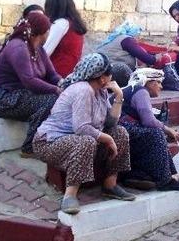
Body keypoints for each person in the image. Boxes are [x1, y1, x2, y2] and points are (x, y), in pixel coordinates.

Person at [34, 53, 135, 214]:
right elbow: (81, 128)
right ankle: (70, 195)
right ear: (102, 78)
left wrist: (119, 96)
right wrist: (107, 139)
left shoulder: (100, 91)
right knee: (87, 140)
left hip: (76, 140)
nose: (111, 78)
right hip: (49, 142)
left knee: (120, 132)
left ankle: (110, 184)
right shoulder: (83, 90)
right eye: (109, 74)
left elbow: (111, 123)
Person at [0, 12, 61, 157]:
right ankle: (29, 147)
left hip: (19, 95)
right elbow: (29, 81)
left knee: (59, 98)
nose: (48, 34)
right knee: (51, 100)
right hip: (2, 99)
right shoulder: (18, 47)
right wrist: (56, 89)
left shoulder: (38, 49)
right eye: (48, 31)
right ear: (42, 32)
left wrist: (63, 83)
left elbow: (52, 75)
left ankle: (46, 138)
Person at [119, 68, 179, 191]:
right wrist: (169, 130)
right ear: (150, 82)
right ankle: (165, 181)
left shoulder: (135, 90)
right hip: (121, 131)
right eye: (159, 82)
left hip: (125, 130)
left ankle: (172, 174)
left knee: (157, 133)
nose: (161, 87)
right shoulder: (141, 91)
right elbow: (149, 121)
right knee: (156, 133)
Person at [97, 21, 166, 86]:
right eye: (138, 34)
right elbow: (147, 59)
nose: (138, 37)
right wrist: (156, 57)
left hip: (102, 75)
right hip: (113, 74)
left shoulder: (115, 39)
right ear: (134, 32)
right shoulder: (127, 40)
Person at [43, 0, 88, 78]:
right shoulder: (75, 24)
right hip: (70, 73)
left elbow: (45, 52)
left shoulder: (61, 23)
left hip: (56, 74)